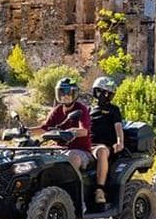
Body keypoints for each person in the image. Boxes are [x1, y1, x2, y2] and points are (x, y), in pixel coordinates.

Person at [29, 77, 93, 172]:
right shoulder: (57, 110)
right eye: (62, 93)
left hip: (80, 150)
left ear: (74, 94)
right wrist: (25, 131)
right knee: (36, 157)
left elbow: (84, 131)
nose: (65, 96)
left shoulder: (81, 109)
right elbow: (45, 128)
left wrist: (69, 133)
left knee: (71, 158)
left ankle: (70, 186)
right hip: (60, 149)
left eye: (69, 93)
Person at [88, 76, 124, 205]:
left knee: (102, 151)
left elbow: (118, 127)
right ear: (95, 92)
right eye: (101, 92)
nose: (104, 95)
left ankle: (100, 190)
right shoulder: (89, 110)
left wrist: (120, 142)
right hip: (88, 146)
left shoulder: (114, 110)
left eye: (107, 93)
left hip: (105, 146)